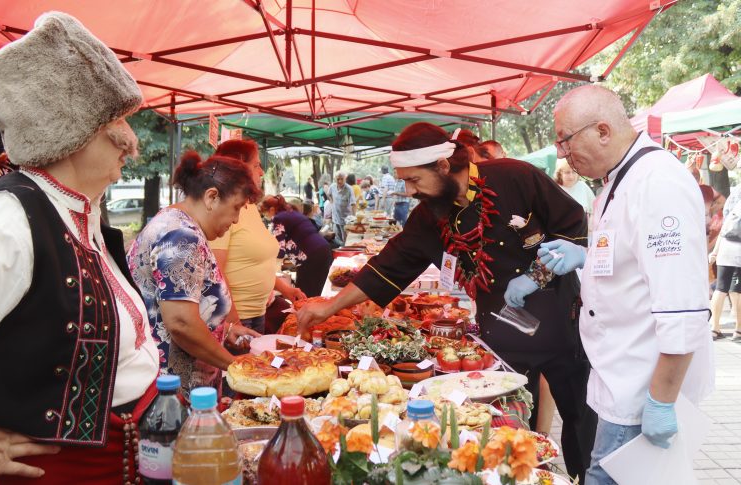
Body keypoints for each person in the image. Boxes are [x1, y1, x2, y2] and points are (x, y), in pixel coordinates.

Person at [297, 122, 596, 482]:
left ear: (441, 167)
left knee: (581, 419)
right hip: (501, 335)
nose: (408, 191)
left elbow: (573, 223)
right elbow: (388, 265)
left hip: (561, 322)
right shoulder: (429, 215)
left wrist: (536, 277)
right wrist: (327, 308)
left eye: (414, 180)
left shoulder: (516, 176)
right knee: (511, 429)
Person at [0, 12, 156, 483]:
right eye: (114, 119)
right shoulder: (3, 225)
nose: (129, 140)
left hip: (120, 457)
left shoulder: (79, 211)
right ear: (72, 129)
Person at [541, 85, 714, 485]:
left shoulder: (658, 183)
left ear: (603, 130)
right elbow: (626, 262)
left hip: (641, 390)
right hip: (618, 377)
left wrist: (661, 400)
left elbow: (682, 306)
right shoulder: (618, 180)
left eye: (566, 141)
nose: (563, 154)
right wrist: (583, 259)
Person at [127, 151, 262, 397]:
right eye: (236, 208)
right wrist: (237, 366)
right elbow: (181, 322)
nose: (235, 220)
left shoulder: (178, 225)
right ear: (211, 197)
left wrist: (222, 328)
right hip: (173, 389)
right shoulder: (181, 236)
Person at [209, 139, 306, 334]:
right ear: (238, 167)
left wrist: (285, 289)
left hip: (257, 313)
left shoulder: (249, 206)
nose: (261, 172)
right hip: (237, 317)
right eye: (256, 165)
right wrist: (232, 319)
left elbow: (255, 261)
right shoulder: (224, 208)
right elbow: (215, 271)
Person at [260, 195, 334, 297]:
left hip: (311, 256)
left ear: (272, 209)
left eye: (265, 213)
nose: (266, 216)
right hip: (322, 250)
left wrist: (270, 267)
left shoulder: (279, 218)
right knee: (317, 291)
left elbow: (279, 248)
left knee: (305, 294)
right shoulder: (291, 213)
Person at [709, 183, 741, 341]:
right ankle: (738, 330)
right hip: (739, 248)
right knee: (738, 289)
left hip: (726, 245)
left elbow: (725, 224)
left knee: (720, 288)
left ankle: (714, 329)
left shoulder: (734, 193)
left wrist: (715, 251)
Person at [328, 171, 356, 246]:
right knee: (337, 240)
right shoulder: (332, 187)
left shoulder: (349, 189)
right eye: (338, 179)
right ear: (335, 179)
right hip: (336, 219)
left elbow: (353, 204)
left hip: (346, 220)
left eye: (341, 179)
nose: (339, 181)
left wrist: (354, 219)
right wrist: (332, 202)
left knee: (346, 241)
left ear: (345, 179)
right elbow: (329, 194)